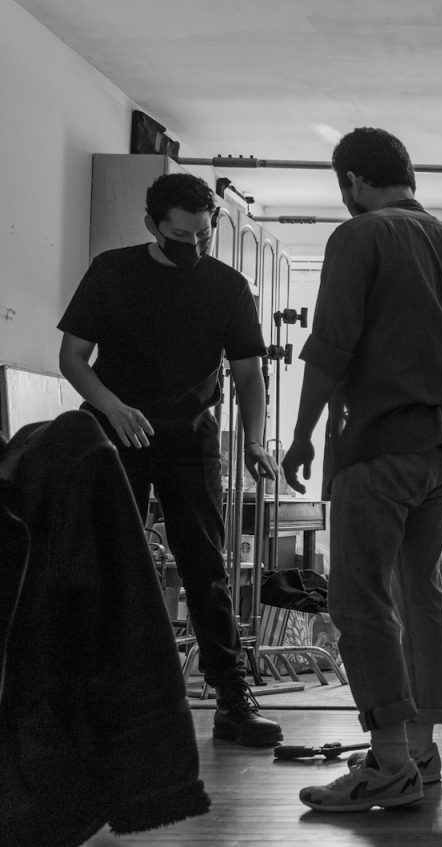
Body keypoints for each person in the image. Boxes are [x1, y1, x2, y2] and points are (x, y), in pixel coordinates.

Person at [280, 127, 442, 813]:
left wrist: (302, 433)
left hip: (378, 443)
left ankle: (388, 763)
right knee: (417, 592)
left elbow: (332, 343)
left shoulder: (359, 236)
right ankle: (420, 754)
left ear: (353, 181)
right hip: (439, 448)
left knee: (359, 598)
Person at [58, 172, 283, 747]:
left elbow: (249, 372)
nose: (195, 247)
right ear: (151, 225)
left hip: (190, 439)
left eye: (204, 236)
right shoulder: (112, 271)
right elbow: (74, 356)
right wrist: (113, 406)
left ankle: (232, 701)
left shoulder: (227, 286)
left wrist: (254, 439)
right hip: (115, 433)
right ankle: (102, 703)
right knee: (110, 563)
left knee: (206, 569)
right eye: (181, 236)